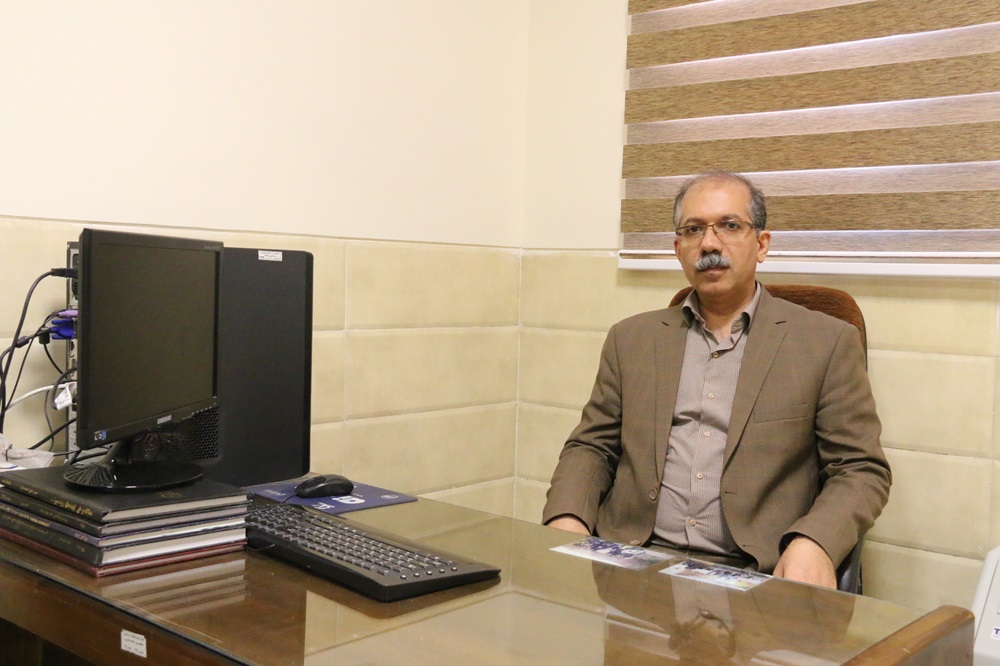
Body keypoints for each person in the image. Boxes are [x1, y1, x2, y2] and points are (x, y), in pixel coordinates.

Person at [542, 170, 891, 588]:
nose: (709, 244)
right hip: (632, 564)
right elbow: (591, 447)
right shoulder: (630, 339)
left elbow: (859, 469)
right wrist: (568, 517)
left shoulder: (825, 342)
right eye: (693, 230)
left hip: (753, 573)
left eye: (729, 226)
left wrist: (814, 543)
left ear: (761, 244)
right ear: (678, 248)